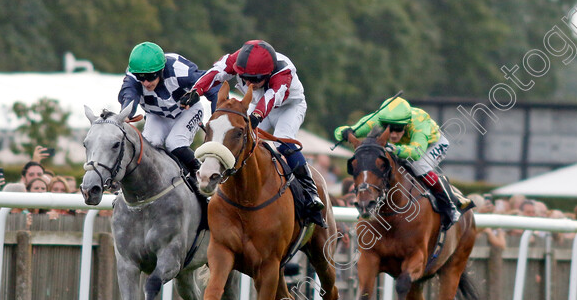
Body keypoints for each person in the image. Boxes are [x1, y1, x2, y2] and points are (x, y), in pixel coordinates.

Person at [181, 39, 326, 226]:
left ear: (268, 73)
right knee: (240, 141)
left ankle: (310, 190)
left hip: (287, 107)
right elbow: (216, 73)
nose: (249, 83)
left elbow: (272, 97)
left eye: (255, 79)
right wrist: (196, 91)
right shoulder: (236, 60)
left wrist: (257, 115)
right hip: (258, 105)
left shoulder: (283, 72)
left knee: (284, 143)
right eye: (245, 77)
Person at [334, 97, 473, 230]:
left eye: (398, 129)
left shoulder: (419, 123)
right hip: (403, 146)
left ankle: (449, 204)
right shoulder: (377, 118)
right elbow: (340, 131)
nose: (393, 134)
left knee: (418, 165)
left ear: (407, 124)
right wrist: (346, 132)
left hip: (431, 145)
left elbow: (416, 152)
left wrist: (394, 148)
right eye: (389, 128)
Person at [118, 41, 218, 194]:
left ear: (162, 70)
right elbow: (128, 94)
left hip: (187, 111)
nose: (145, 82)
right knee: (149, 146)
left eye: (150, 77)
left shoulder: (181, 71)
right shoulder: (133, 76)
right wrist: (127, 113)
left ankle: (203, 179)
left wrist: (216, 116)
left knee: (175, 143)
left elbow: (213, 86)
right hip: (157, 114)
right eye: (141, 77)